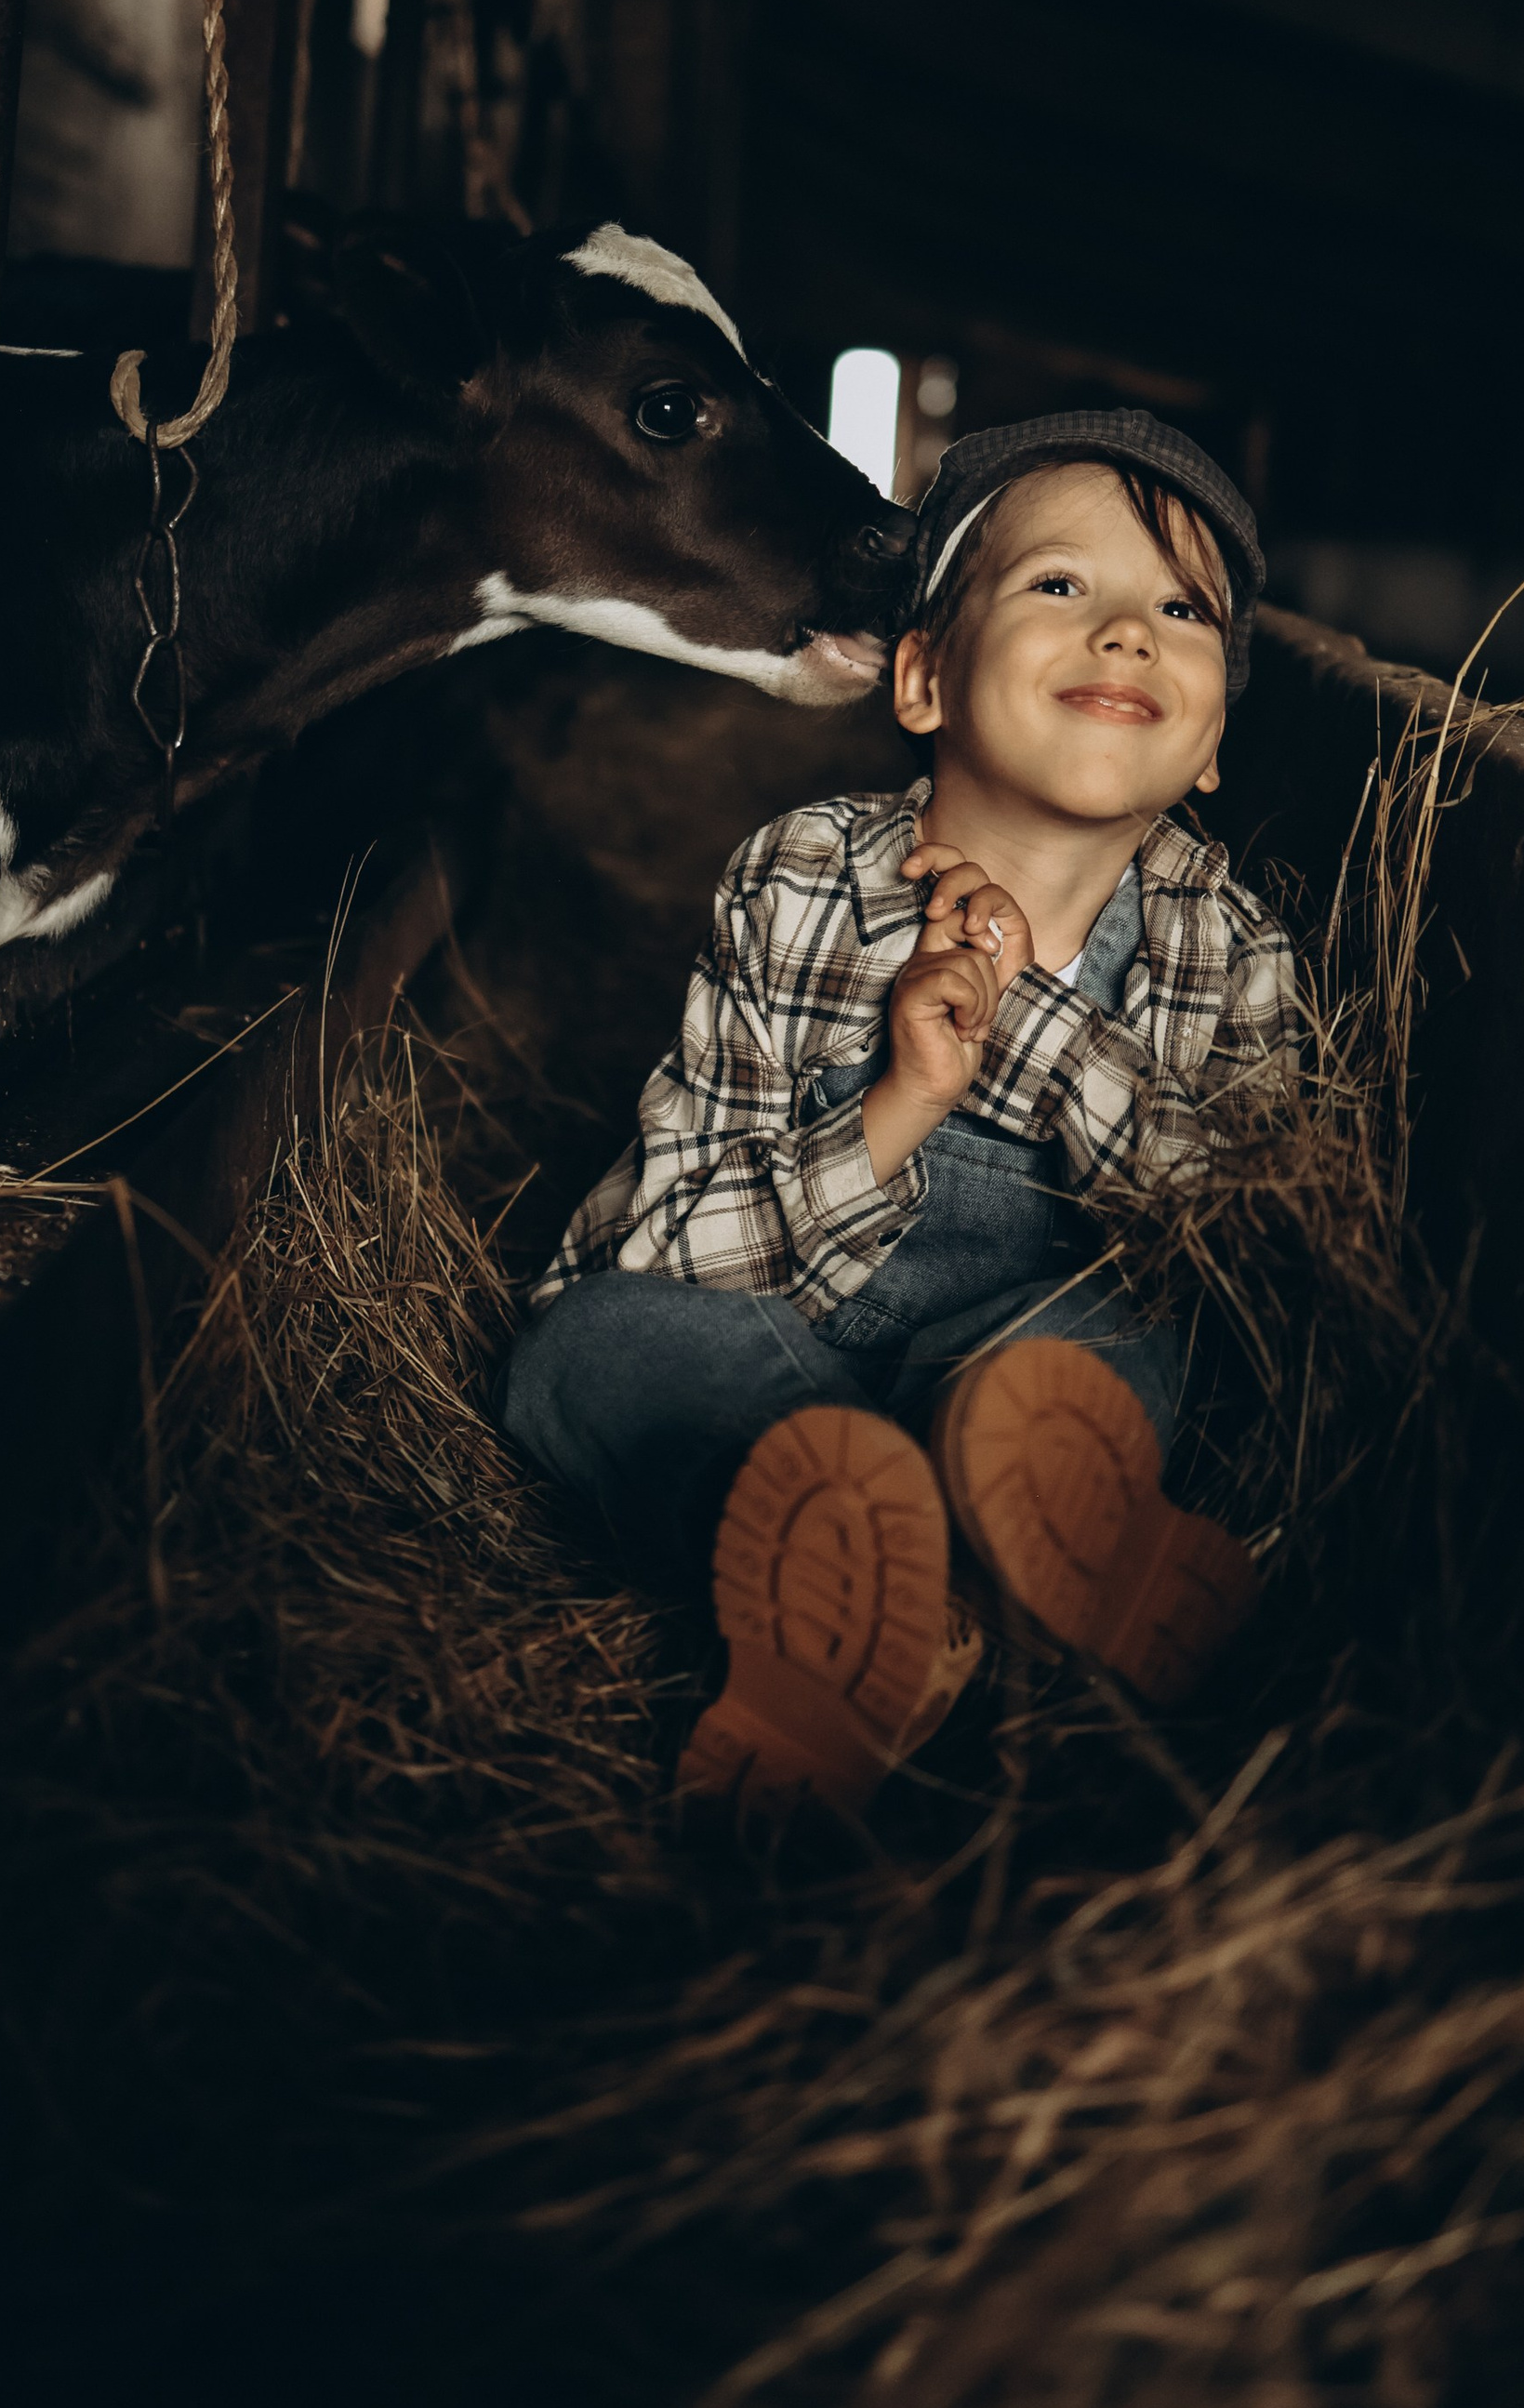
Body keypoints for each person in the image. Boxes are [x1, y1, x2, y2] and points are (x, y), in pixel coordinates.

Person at [504, 409, 1302, 1820]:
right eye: (1062, 585)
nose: (1127, 633)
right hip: (781, 1349)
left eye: (1183, 612)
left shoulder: (1228, 947)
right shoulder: (801, 877)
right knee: (584, 1350)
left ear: (1218, 737)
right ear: (924, 677)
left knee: (1135, 1339)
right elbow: (663, 1240)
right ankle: (945, 1598)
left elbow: (1232, 1252)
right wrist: (899, 1102)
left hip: (1038, 1363)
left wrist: (1037, 1028)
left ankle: (896, 1597)